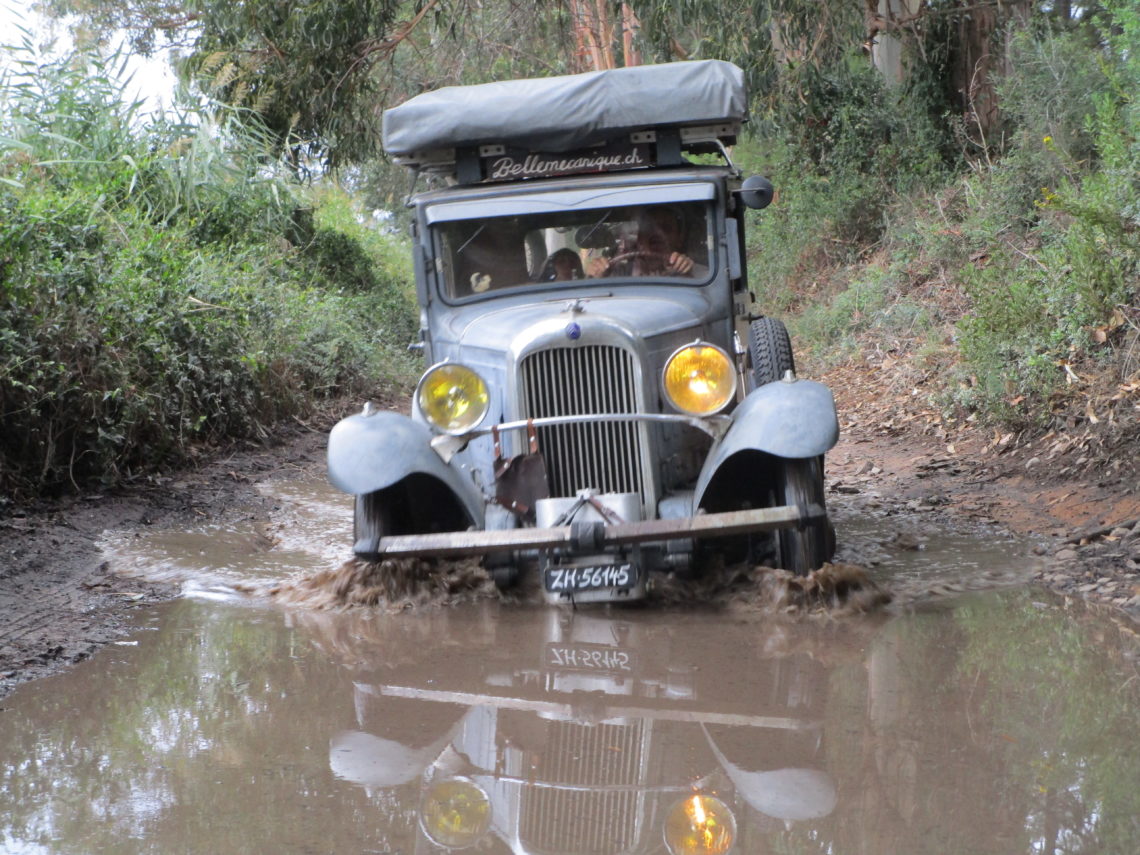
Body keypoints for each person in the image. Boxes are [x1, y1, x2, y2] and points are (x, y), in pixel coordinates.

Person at [586, 207, 704, 278]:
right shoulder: (618, 273)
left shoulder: (697, 272)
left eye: (666, 228)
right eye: (649, 228)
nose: (657, 235)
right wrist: (597, 274)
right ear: (639, 237)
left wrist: (687, 272)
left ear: (679, 239)